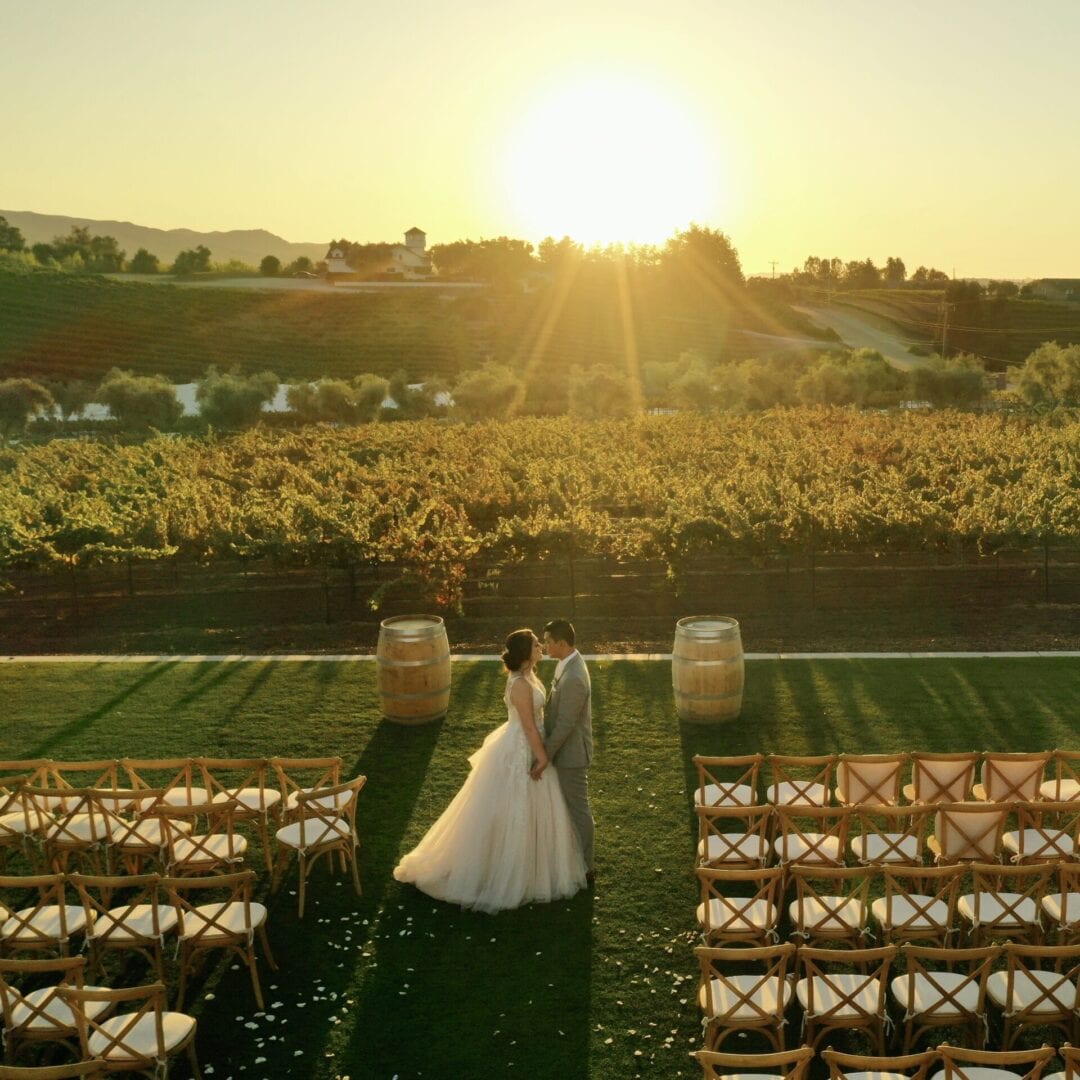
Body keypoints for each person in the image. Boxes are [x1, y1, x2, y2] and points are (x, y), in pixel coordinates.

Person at [393, 628, 587, 914]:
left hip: (529, 743)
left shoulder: (529, 675)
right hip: (521, 748)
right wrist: (543, 757)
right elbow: (530, 726)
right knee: (511, 807)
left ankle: (533, 863)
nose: (540, 647)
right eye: (536, 644)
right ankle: (501, 869)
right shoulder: (520, 684)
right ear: (524, 654)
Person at [539, 619, 595, 884]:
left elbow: (564, 725)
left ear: (561, 643)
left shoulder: (574, 678)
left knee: (579, 810)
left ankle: (586, 865)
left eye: (548, 641)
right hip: (565, 751)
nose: (545, 645)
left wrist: (544, 755)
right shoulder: (566, 664)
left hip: (572, 755)